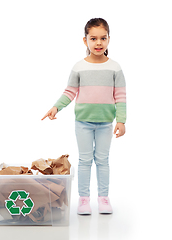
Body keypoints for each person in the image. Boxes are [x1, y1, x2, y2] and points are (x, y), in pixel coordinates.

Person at [42, 18, 126, 215]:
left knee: (103, 160)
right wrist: (56, 107)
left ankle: (104, 198)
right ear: (85, 40)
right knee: (85, 160)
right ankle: (83, 200)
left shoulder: (115, 68)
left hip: (106, 123)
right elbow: (70, 91)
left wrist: (121, 120)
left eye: (103, 38)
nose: (98, 43)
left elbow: (120, 96)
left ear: (109, 40)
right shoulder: (79, 67)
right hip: (83, 123)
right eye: (93, 38)